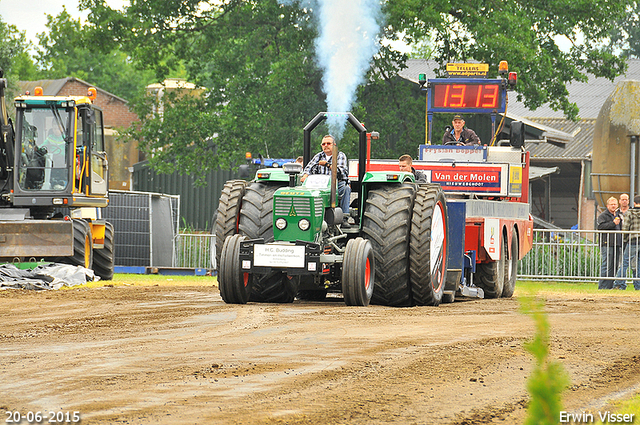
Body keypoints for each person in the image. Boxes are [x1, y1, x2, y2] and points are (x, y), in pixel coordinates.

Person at [301, 135, 351, 214]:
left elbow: (341, 171)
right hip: (320, 184)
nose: (326, 145)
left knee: (346, 188)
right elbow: (309, 167)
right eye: (323, 144)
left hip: (337, 183)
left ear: (334, 145)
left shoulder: (340, 155)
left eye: (328, 143)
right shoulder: (319, 156)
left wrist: (327, 165)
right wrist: (304, 176)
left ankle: (344, 216)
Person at [613, 195, 640, 290]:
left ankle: (619, 283)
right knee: (638, 264)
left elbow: (625, 228)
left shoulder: (630, 213)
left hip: (633, 241)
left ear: (634, 203)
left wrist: (624, 239)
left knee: (625, 262)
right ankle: (638, 286)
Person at [597, 196, 623, 289]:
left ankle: (610, 286)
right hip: (607, 243)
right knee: (607, 264)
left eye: (615, 204)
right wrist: (613, 223)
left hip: (616, 243)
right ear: (607, 206)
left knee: (614, 265)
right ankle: (603, 286)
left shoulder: (618, 215)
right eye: (611, 204)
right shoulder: (603, 216)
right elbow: (600, 227)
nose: (613, 206)